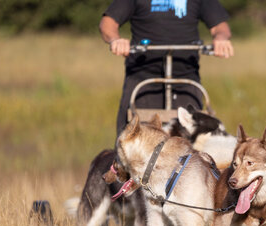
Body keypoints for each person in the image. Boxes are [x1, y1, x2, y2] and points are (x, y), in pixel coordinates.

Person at [99, 0, 234, 136]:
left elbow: (220, 26)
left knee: (195, 141)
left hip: (186, 79)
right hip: (142, 79)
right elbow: (108, 23)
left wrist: (221, 39)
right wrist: (115, 40)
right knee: (131, 140)